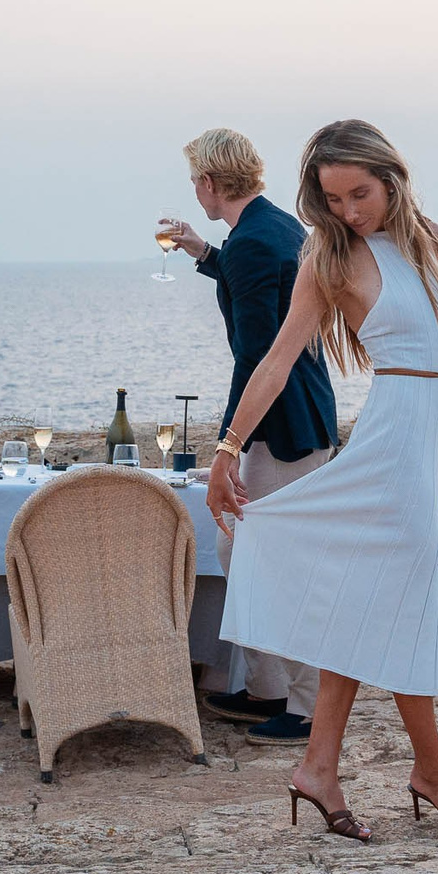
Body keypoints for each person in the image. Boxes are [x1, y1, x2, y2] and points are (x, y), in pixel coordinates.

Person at [207, 119, 438, 841]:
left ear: (391, 177)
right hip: (390, 442)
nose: (351, 210)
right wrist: (229, 447)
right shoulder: (328, 258)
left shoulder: (431, 240)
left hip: (425, 434)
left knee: (374, 604)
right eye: (334, 198)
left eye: (361, 193)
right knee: (409, 603)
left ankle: (320, 768)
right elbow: (276, 358)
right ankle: (434, 774)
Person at [158, 128, 338, 744]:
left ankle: (307, 703)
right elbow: (252, 284)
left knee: (278, 559)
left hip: (282, 424)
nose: (195, 191)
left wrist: (226, 445)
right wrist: (204, 253)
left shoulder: (256, 242)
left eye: (194, 181)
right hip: (297, 415)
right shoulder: (272, 228)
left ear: (209, 181)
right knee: (248, 551)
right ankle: (267, 688)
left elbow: (258, 354)